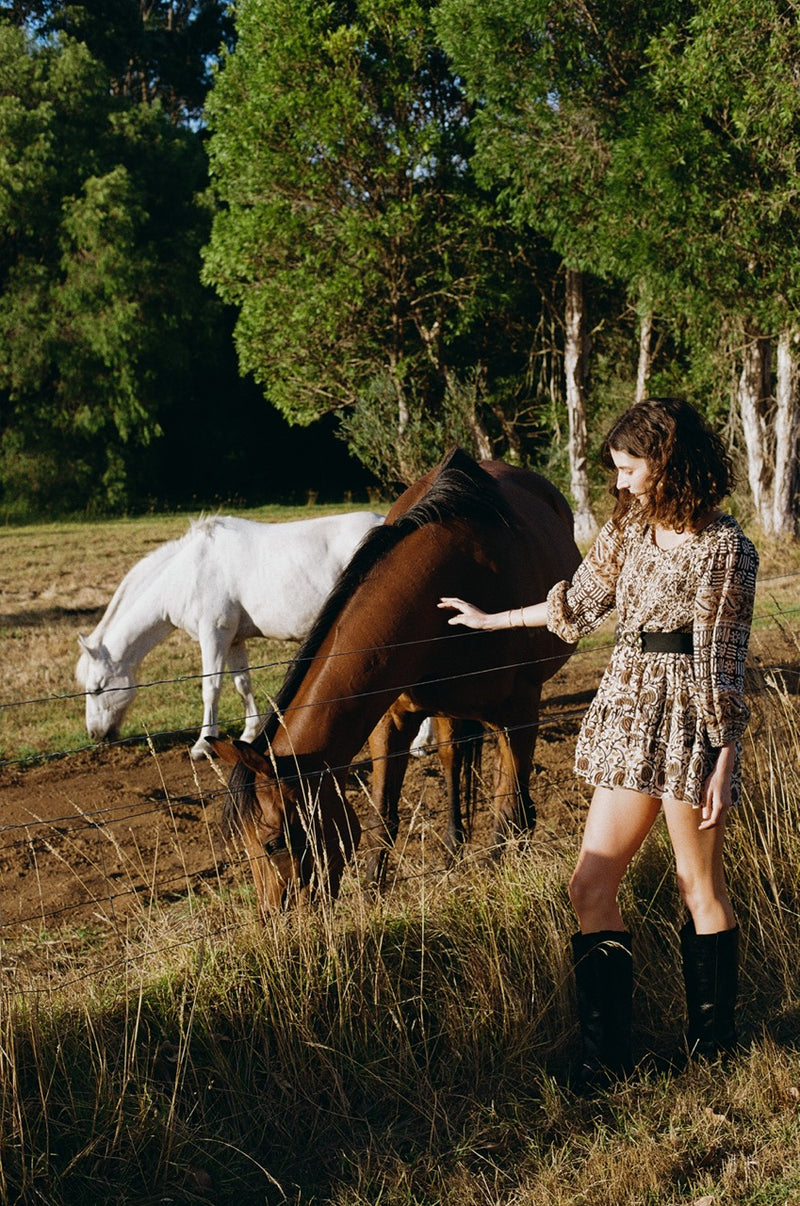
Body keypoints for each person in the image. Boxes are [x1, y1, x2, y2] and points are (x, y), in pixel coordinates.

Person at [439, 398, 759, 1090]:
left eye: (627, 467)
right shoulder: (631, 528)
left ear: (666, 462)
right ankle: (606, 1058)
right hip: (628, 711)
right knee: (589, 884)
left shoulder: (725, 548)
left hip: (688, 722)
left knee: (697, 885)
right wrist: (492, 621)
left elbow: (722, 658)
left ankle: (715, 1052)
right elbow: (577, 604)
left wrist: (723, 754)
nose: (618, 482)